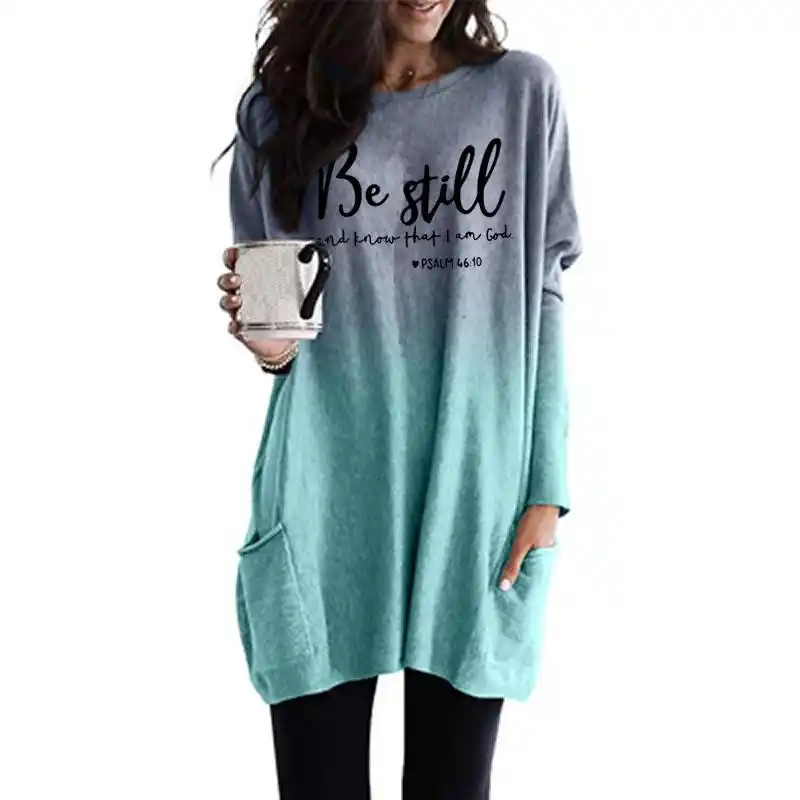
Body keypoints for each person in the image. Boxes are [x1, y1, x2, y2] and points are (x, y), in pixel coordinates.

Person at [213, 1, 582, 797]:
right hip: (324, 493)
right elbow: (281, 325)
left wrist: (546, 488)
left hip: (475, 492)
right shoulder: (279, 110)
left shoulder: (523, 94)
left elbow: (544, 293)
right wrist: (267, 342)